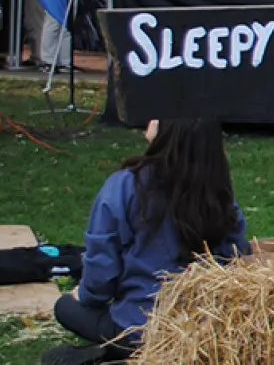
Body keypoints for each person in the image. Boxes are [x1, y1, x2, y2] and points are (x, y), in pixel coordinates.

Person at [43, 119, 249, 364]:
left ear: (167, 132)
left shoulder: (125, 185)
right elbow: (236, 259)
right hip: (203, 331)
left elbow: (101, 269)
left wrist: (85, 295)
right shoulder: (218, 192)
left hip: (138, 327)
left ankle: (124, 353)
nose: (150, 121)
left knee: (65, 307)